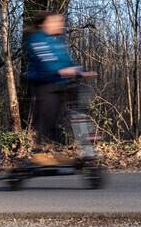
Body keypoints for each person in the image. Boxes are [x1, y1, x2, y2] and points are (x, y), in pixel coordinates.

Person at [24, 11, 95, 146]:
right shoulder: (37, 39)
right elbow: (45, 61)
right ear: (44, 24)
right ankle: (39, 156)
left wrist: (80, 72)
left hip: (60, 85)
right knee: (46, 125)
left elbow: (66, 62)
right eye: (55, 22)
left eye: (60, 22)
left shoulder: (56, 42)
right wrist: (61, 71)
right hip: (44, 86)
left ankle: (86, 149)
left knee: (77, 112)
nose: (59, 25)